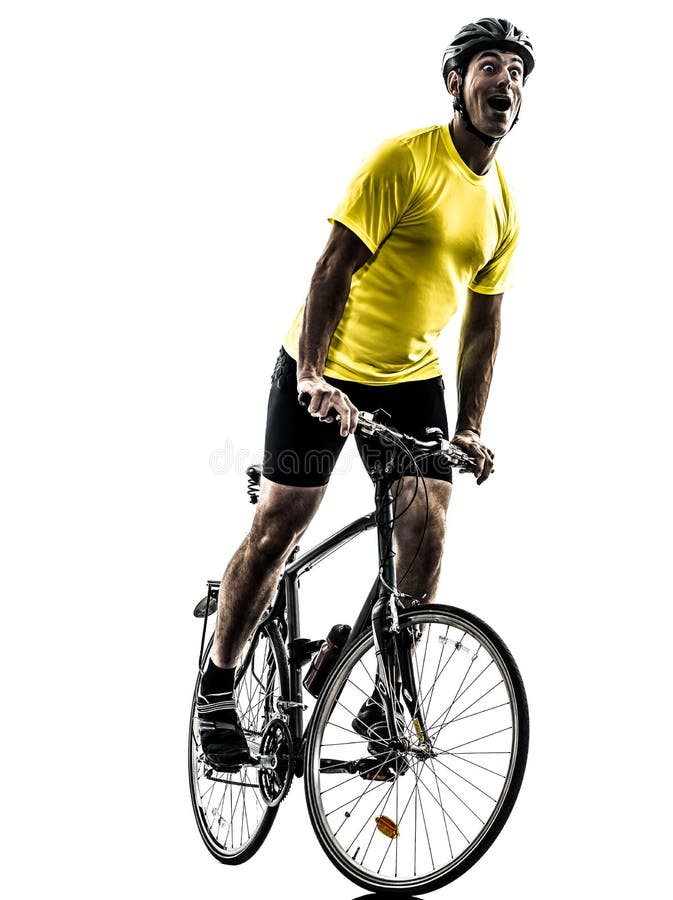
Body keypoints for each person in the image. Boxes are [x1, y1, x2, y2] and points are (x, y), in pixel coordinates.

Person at [197, 17, 535, 770]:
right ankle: (218, 685)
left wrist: (470, 426)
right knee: (282, 522)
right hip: (323, 363)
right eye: (489, 66)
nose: (503, 82)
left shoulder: (502, 205)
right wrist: (316, 375)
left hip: (409, 378)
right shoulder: (404, 161)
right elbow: (331, 269)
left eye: (515, 71)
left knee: (427, 525)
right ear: (456, 82)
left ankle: (374, 681)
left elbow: (483, 325)